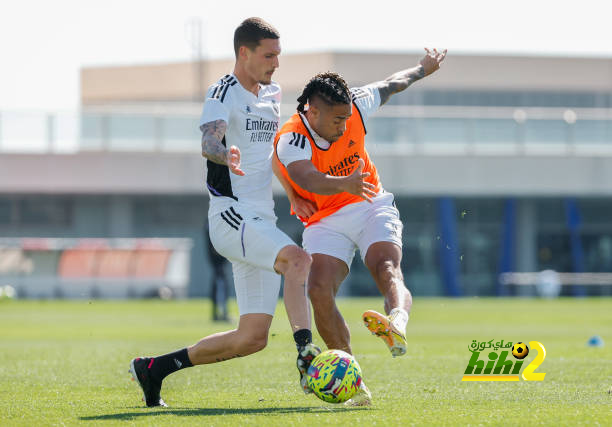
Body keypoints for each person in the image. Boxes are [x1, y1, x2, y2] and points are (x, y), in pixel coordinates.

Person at [130, 17, 319, 408]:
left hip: (261, 222)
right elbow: (207, 140)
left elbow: (269, 155)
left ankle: (155, 369)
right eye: (269, 55)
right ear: (244, 52)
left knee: (252, 338)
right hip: (230, 216)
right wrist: (223, 152)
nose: (276, 63)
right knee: (298, 259)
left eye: (278, 55)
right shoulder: (223, 91)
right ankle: (306, 355)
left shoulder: (272, 93)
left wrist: (292, 192)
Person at [273, 49, 447, 405]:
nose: (343, 125)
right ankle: (354, 385)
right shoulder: (292, 136)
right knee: (319, 289)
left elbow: (391, 85)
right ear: (313, 112)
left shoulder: (355, 104)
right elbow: (305, 175)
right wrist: (330, 187)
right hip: (326, 218)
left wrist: (422, 69)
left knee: (385, 266)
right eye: (337, 120)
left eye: (346, 119)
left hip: (370, 203)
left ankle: (397, 321)